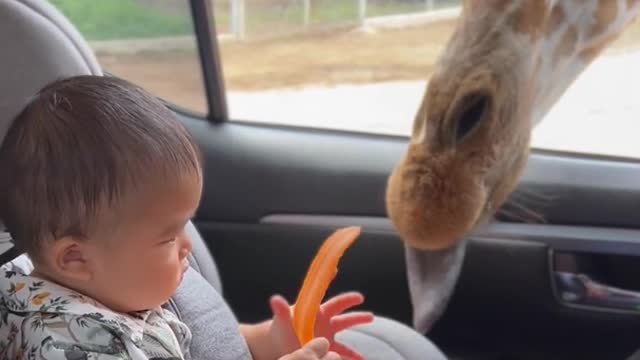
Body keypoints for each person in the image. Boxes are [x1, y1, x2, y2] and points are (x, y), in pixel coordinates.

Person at [0, 75, 373, 359]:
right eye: (168, 237)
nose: (186, 245)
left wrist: (270, 340)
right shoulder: (80, 346)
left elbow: (180, 335)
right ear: (76, 258)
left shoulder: (109, 288)